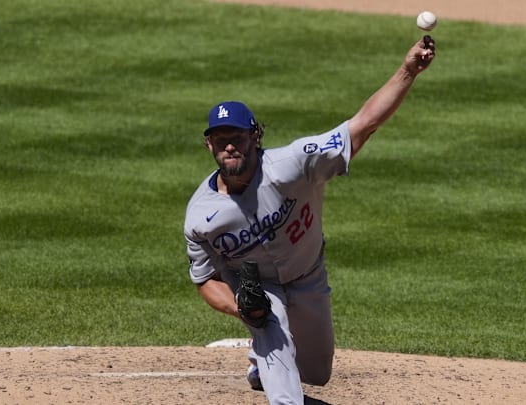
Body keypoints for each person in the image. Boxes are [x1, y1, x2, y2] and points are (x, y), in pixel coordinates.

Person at [183, 36, 436, 404]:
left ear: (255, 136)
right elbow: (205, 279)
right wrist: (242, 306)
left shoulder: (292, 164)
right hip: (258, 287)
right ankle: (273, 365)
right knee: (269, 323)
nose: (229, 146)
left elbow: (362, 125)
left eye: (236, 136)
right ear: (209, 145)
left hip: (308, 276)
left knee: (317, 371)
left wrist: (408, 71)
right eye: (220, 140)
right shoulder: (200, 217)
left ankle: (261, 364)